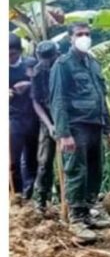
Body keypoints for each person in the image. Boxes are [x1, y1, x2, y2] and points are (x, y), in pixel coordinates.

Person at [50, 22, 110, 243]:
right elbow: (58, 101)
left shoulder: (93, 63)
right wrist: (64, 133)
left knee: (94, 169)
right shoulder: (63, 65)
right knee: (76, 170)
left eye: (87, 34)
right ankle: (76, 219)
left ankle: (87, 212)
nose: (84, 37)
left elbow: (101, 97)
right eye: (79, 34)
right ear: (70, 38)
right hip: (76, 125)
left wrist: (109, 128)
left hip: (94, 124)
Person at [9, 33, 40, 202]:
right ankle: (15, 194)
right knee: (12, 159)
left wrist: (28, 85)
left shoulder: (30, 64)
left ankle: (29, 194)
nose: (9, 59)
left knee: (32, 158)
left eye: (12, 55)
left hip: (33, 116)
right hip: (12, 118)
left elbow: (43, 83)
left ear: (20, 51)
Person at [31, 40, 61, 213]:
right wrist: (49, 125)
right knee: (44, 160)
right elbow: (36, 102)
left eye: (49, 59)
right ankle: (42, 200)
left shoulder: (65, 67)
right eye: (42, 59)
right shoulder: (37, 72)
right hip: (47, 120)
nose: (46, 63)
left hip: (69, 119)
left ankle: (73, 202)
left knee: (70, 162)